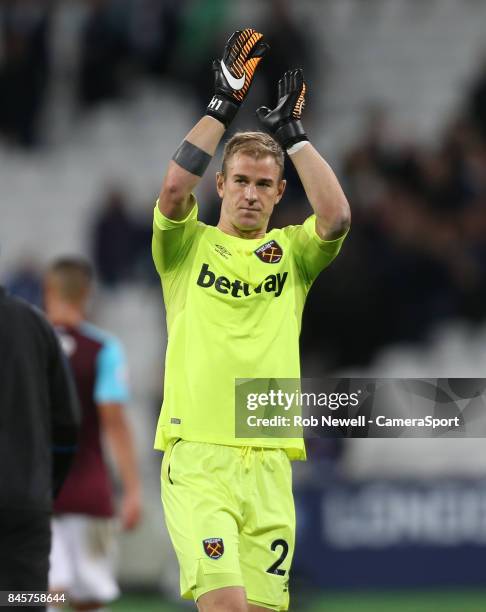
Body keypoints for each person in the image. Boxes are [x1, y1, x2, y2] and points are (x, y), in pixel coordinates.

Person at [152, 29, 351, 611]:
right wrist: (223, 104)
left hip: (268, 462)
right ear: (220, 184)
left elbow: (336, 217)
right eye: (239, 180)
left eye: (264, 185)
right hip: (200, 458)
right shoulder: (186, 249)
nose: (249, 194)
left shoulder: (293, 254)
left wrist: (295, 136)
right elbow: (169, 191)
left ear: (279, 192)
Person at [43, 258, 142, 612]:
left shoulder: (25, 346)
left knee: (43, 596)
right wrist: (131, 490)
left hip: (35, 493)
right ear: (87, 293)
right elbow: (114, 422)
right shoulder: (103, 349)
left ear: (48, 291)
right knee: (90, 600)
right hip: (89, 492)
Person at [0, 283, 80, 611]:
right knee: (22, 602)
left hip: (28, 499)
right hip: (25, 504)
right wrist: (45, 488)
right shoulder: (35, 324)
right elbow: (68, 423)